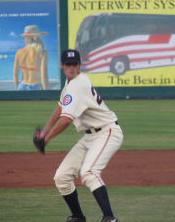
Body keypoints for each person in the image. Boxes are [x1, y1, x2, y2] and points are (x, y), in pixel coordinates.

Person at [38, 49, 123, 222]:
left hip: (107, 132)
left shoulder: (78, 84)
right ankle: (78, 217)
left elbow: (66, 120)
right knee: (61, 177)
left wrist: (46, 139)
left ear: (79, 65)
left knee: (89, 172)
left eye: (74, 64)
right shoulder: (70, 84)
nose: (71, 67)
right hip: (90, 136)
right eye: (68, 64)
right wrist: (45, 130)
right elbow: (61, 107)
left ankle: (110, 218)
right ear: (62, 66)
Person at [13, 25, 49, 90]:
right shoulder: (43, 53)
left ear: (26, 38)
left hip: (22, 86)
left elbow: (15, 74)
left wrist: (17, 89)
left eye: (24, 38)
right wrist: (46, 92)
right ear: (38, 37)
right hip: (36, 86)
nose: (24, 39)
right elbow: (44, 76)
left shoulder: (19, 52)